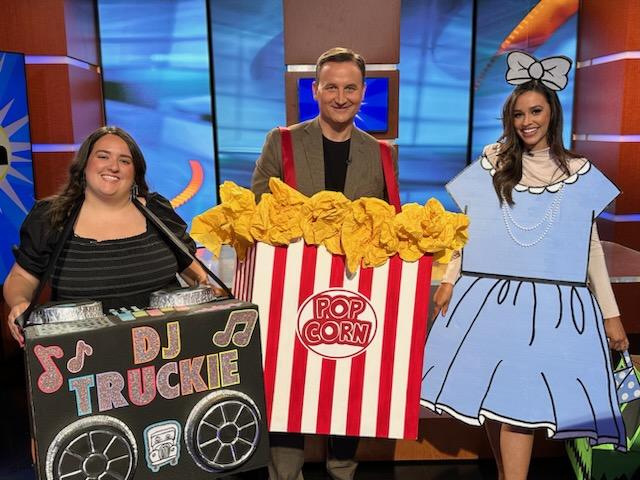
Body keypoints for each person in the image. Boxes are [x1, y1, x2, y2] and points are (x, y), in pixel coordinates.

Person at [422, 51, 628, 480]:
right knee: (500, 404)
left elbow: (589, 249)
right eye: (518, 113)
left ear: (552, 112)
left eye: (535, 111)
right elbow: (468, 227)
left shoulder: (579, 172)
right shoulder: (494, 162)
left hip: (552, 307)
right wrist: (448, 280)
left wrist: (611, 315)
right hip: (491, 299)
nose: (526, 121)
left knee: (520, 406)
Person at [251, 47, 398, 480]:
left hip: (355, 296)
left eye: (349, 87)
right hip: (291, 293)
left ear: (362, 92)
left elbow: (390, 224)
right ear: (314, 90)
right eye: (330, 86)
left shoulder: (381, 153)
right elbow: (259, 208)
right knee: (289, 389)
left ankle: (343, 470)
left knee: (348, 393)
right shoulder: (282, 141)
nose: (340, 96)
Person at [4, 126, 208, 347]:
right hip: (83, 357)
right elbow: (22, 278)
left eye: (124, 161)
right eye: (103, 156)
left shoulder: (158, 210)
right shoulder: (50, 216)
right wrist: (20, 303)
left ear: (135, 173)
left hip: (166, 352)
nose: (113, 166)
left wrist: (206, 286)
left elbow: (190, 267)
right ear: (84, 165)